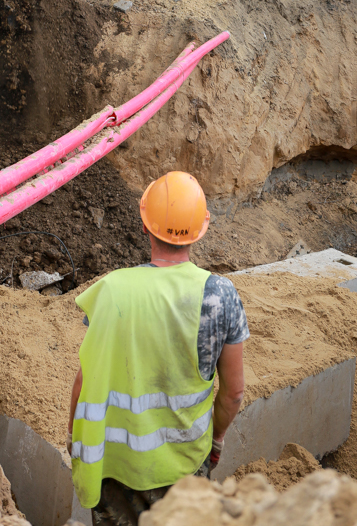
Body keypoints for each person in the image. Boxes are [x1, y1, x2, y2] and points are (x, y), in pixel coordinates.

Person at [67, 172, 249, 524]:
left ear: (145, 223)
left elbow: (85, 380)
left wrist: (74, 440)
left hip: (116, 468)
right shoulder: (220, 295)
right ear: (202, 227)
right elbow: (233, 393)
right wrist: (217, 440)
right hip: (183, 467)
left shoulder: (112, 291)